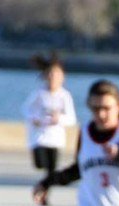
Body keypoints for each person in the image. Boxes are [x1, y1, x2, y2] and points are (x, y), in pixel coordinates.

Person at [21, 53, 76, 196]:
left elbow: (71, 119)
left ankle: (45, 193)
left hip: (56, 139)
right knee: (40, 163)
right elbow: (26, 110)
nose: (53, 78)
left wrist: (59, 119)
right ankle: (43, 187)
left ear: (62, 77)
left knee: (52, 170)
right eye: (50, 74)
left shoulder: (65, 96)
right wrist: (35, 118)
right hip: (39, 138)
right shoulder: (39, 94)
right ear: (45, 76)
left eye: (56, 75)